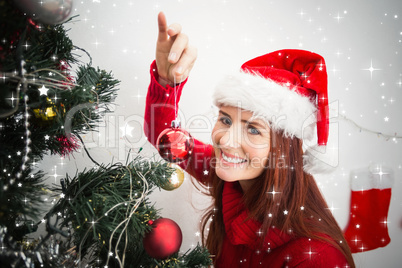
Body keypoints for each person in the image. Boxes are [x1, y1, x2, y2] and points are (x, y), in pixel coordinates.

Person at [144, 12, 355, 267]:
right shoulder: (232, 178)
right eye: (225, 119)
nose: (227, 142)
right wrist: (167, 82)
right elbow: (167, 140)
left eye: (253, 129)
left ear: (284, 149)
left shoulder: (315, 257)